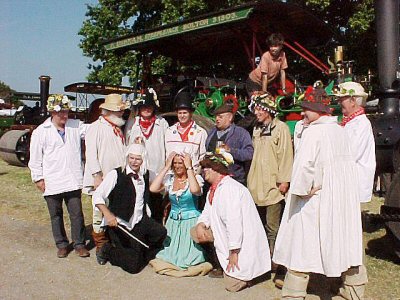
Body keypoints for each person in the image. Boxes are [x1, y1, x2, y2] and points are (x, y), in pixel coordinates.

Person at [273, 87, 365, 299]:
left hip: (315, 202)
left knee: (302, 245)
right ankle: (354, 290)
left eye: (307, 109)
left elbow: (304, 168)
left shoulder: (313, 132)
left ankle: (294, 293)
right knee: (344, 241)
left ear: (319, 110)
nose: (303, 113)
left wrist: (301, 190)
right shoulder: (340, 130)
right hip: (340, 199)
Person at [192, 152, 271, 292]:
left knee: (232, 286)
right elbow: (207, 211)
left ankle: (253, 275)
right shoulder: (214, 189)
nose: (204, 171)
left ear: (217, 169)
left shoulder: (230, 189)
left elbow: (234, 223)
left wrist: (234, 251)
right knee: (195, 232)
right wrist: (201, 224)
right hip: (223, 234)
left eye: (207, 168)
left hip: (241, 241)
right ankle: (219, 263)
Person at [28, 94, 90, 258]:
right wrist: (38, 178)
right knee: (56, 215)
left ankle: (79, 244)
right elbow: (34, 158)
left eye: (66, 112)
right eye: (60, 113)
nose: (64, 115)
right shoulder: (41, 132)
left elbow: (94, 130)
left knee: (76, 214)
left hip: (72, 179)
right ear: (51, 113)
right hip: (52, 180)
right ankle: (62, 244)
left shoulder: (76, 125)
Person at [92, 143, 167, 274]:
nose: (134, 162)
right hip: (120, 224)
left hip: (139, 221)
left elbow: (161, 183)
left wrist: (167, 170)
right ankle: (106, 249)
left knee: (161, 233)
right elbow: (97, 196)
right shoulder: (115, 174)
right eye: (131, 158)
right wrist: (108, 215)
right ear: (127, 157)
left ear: (143, 159)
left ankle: (139, 252)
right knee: (133, 267)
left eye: (138, 159)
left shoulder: (147, 174)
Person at [246, 93, 293, 279]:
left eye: (259, 109)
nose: (256, 112)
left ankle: (276, 263)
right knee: (258, 226)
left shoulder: (280, 129)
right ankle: (262, 263)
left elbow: (286, 155)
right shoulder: (256, 129)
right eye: (255, 109)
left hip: (273, 186)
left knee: (273, 227)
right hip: (256, 184)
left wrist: (284, 180)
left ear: (268, 110)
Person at [83, 93, 130, 263]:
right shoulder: (95, 127)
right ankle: (101, 247)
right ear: (109, 111)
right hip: (102, 177)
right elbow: (90, 154)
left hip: (116, 179)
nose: (121, 114)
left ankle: (113, 244)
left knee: (113, 211)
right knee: (98, 213)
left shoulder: (117, 128)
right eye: (119, 112)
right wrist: (96, 176)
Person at [148, 152, 212, 277]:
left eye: (180, 163)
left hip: (190, 221)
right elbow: (153, 188)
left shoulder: (195, 179)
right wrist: (166, 167)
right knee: (168, 255)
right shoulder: (170, 180)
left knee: (190, 258)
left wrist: (189, 168)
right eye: (175, 163)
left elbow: (195, 190)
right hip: (173, 222)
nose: (177, 166)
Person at [127, 89, 169, 221]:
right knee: (138, 204)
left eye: (149, 107)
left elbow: (167, 146)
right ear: (139, 108)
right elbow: (127, 147)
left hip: (157, 172)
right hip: (138, 171)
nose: (146, 109)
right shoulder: (133, 123)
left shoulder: (161, 123)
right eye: (143, 107)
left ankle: (156, 233)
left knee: (156, 205)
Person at [335, 81, 376, 203]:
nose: (339, 102)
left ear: (353, 101)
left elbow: (351, 153)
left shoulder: (361, 124)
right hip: (346, 181)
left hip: (354, 182)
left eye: (342, 99)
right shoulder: (349, 122)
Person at [205, 102, 253, 185]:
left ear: (230, 117)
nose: (217, 119)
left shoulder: (241, 133)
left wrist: (230, 151)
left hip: (233, 180)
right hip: (211, 180)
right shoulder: (212, 132)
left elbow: (249, 154)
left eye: (220, 117)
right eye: (216, 116)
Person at [165, 91, 207, 171]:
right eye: (180, 113)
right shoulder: (169, 131)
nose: (182, 116)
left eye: (185, 113)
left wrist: (197, 174)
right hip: (172, 174)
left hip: (192, 174)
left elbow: (202, 157)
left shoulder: (200, 132)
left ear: (191, 114)